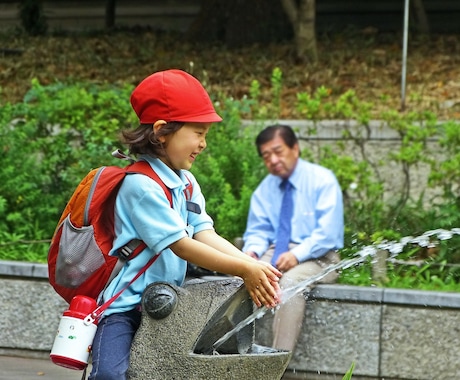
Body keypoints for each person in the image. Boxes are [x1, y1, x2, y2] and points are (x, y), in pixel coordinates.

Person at [88, 69, 282, 380]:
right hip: (124, 310)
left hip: (167, 310)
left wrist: (253, 266)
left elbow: (205, 233)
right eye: (199, 132)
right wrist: (243, 271)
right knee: (111, 376)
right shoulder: (140, 186)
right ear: (162, 130)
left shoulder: (186, 182)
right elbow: (182, 245)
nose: (204, 144)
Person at [243, 124, 344, 352]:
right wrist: (252, 253)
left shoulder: (322, 180)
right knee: (241, 274)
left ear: (295, 148)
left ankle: (276, 361)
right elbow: (259, 230)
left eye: (278, 151)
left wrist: (297, 255)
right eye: (267, 156)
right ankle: (228, 353)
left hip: (318, 256)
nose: (273, 160)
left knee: (290, 283)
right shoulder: (264, 189)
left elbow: (327, 234)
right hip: (275, 250)